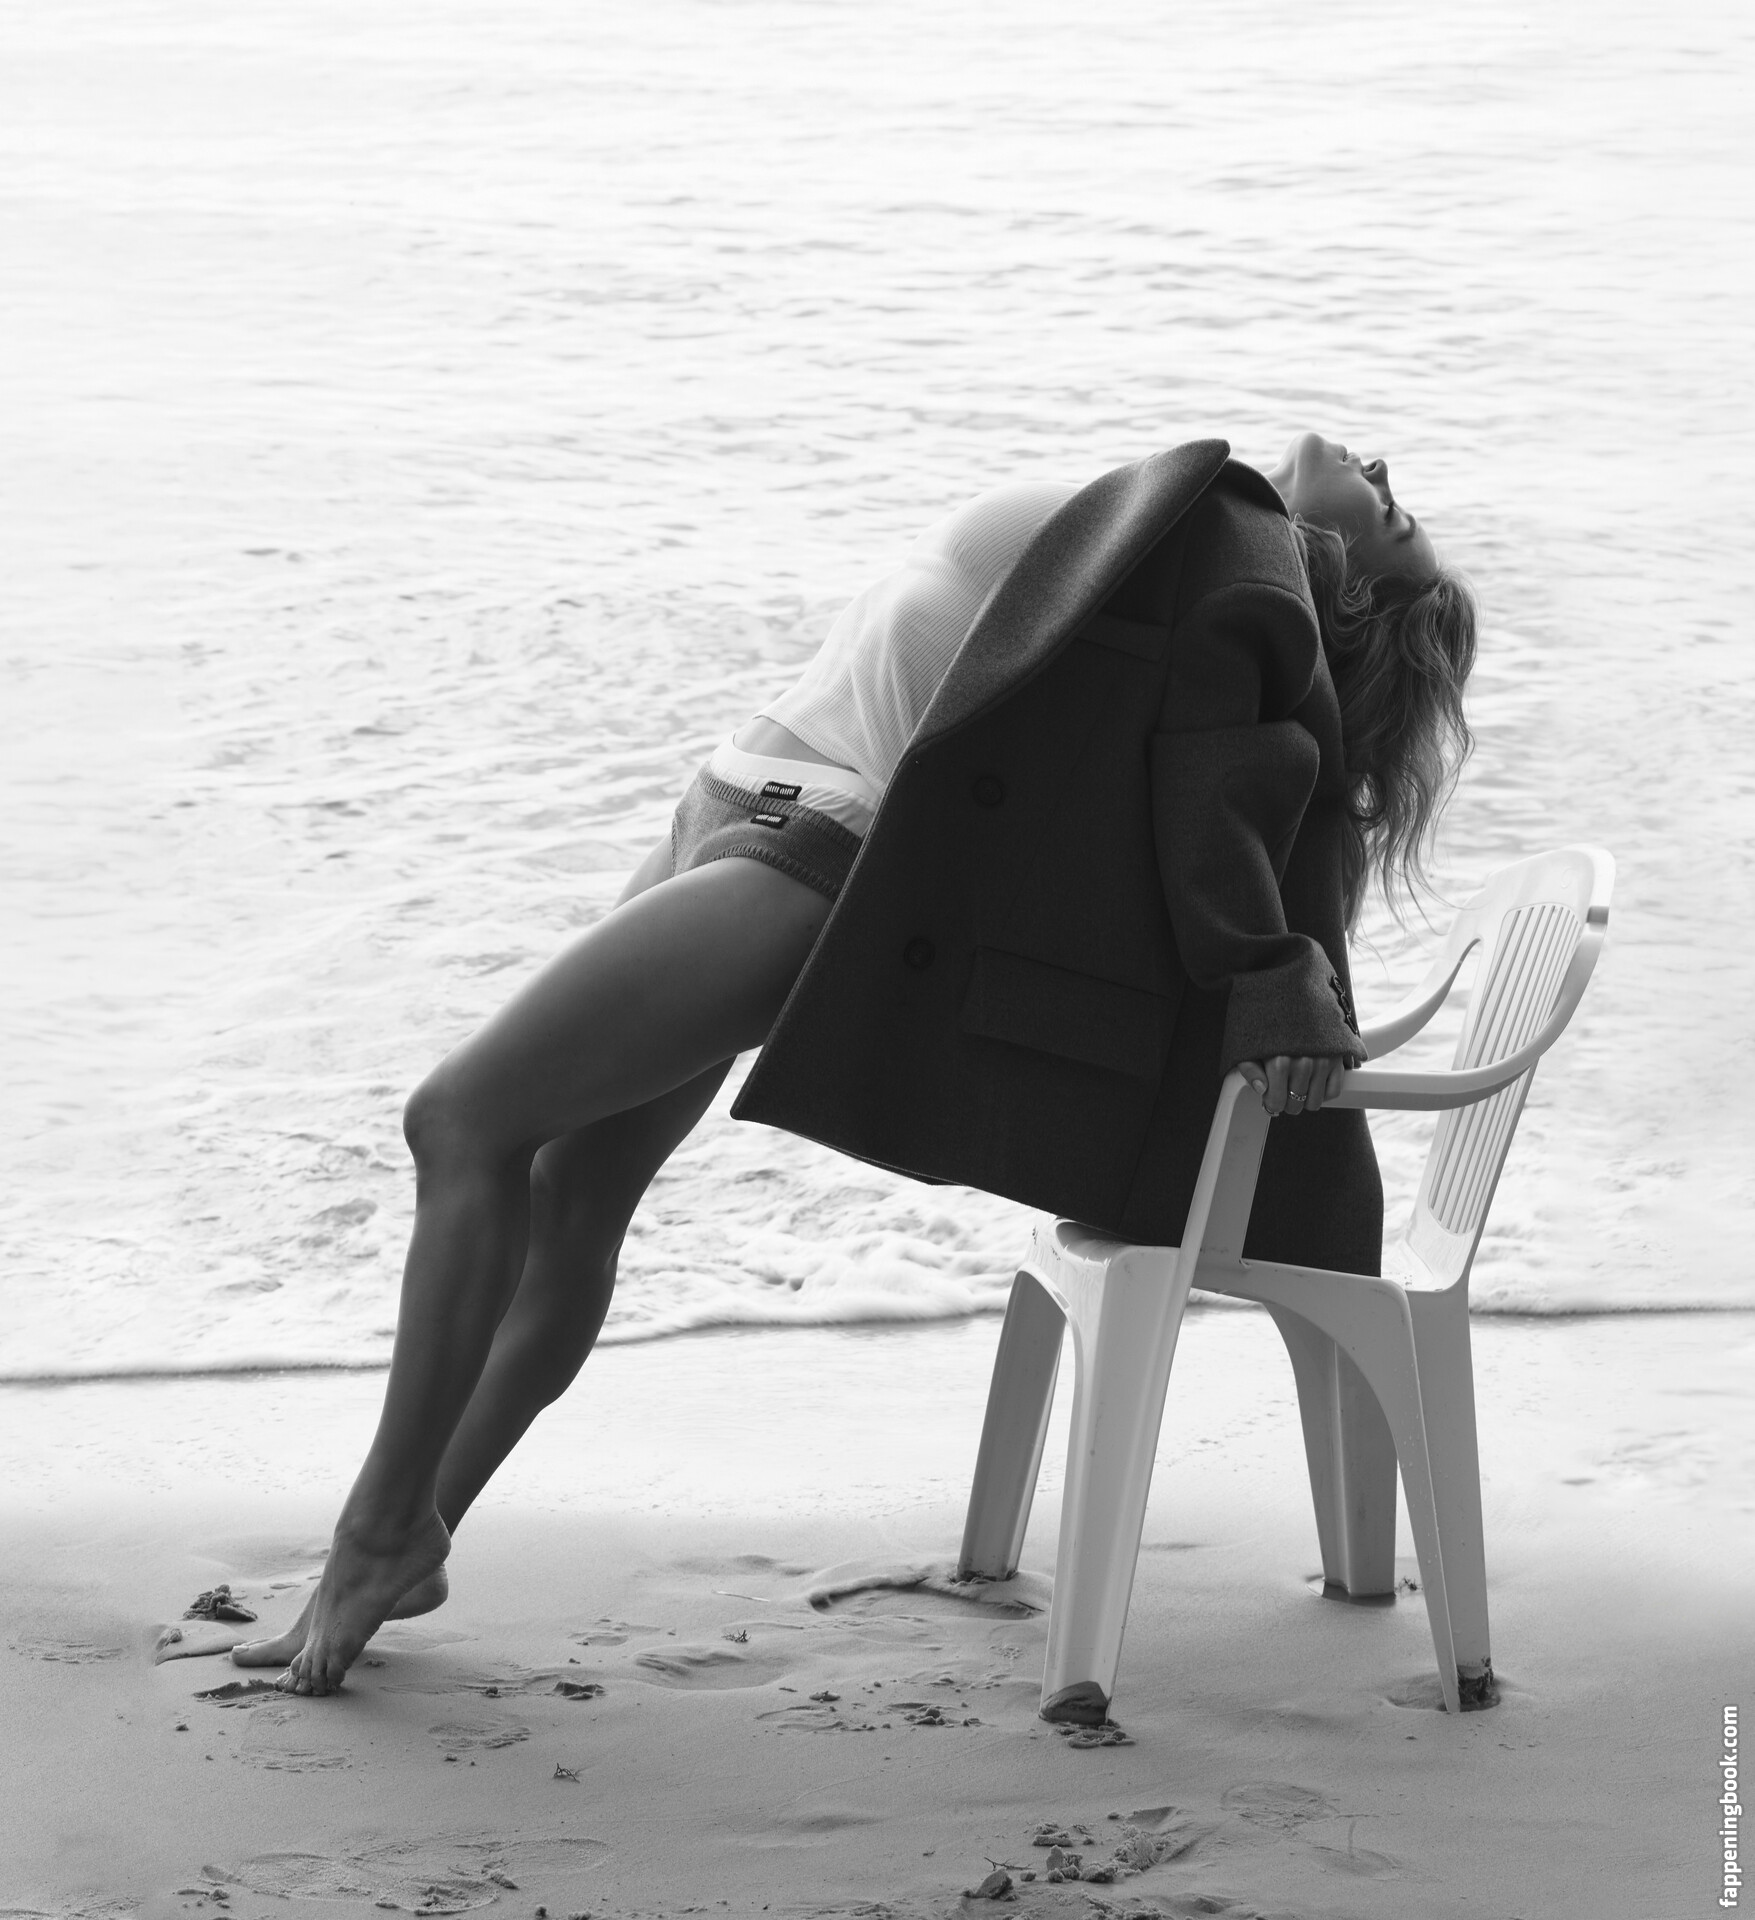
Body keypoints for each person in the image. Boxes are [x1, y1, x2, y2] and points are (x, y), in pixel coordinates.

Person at [234, 431, 1476, 1695]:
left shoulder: (1252, 558)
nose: (1382, 467)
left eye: (1399, 514)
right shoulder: (1196, 525)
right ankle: (415, 1536)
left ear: (1354, 586)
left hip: (807, 847)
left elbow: (1228, 794)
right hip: (732, 793)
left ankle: (379, 1529)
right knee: (569, 1198)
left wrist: (1275, 976)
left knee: (458, 1120)